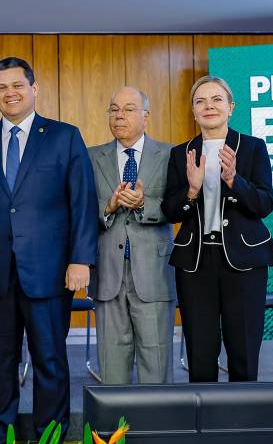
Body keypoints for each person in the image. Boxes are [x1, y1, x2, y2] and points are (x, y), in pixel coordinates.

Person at [0, 57, 98, 441]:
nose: (10, 93)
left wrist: (80, 259)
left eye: (17, 85)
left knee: (50, 361)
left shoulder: (63, 136)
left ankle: (49, 435)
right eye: (2, 87)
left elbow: (83, 201)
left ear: (34, 89)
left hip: (50, 270)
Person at [161, 75, 273, 383]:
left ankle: (244, 424)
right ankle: (205, 423)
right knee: (200, 353)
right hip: (195, 263)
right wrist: (191, 190)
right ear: (193, 111)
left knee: (243, 351)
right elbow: (169, 210)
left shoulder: (253, 148)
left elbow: (264, 204)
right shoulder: (180, 153)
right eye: (200, 101)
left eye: (216, 100)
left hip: (244, 261)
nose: (208, 106)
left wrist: (234, 181)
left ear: (230, 107)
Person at [88, 86, 176, 384]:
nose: (119, 115)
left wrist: (145, 204)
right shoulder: (90, 157)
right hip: (108, 273)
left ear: (146, 116)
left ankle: (158, 429)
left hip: (153, 273)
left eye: (127, 109)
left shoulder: (169, 155)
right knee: (111, 365)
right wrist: (108, 207)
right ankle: (115, 431)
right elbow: (79, 209)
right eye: (113, 109)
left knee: (157, 362)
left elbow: (180, 207)